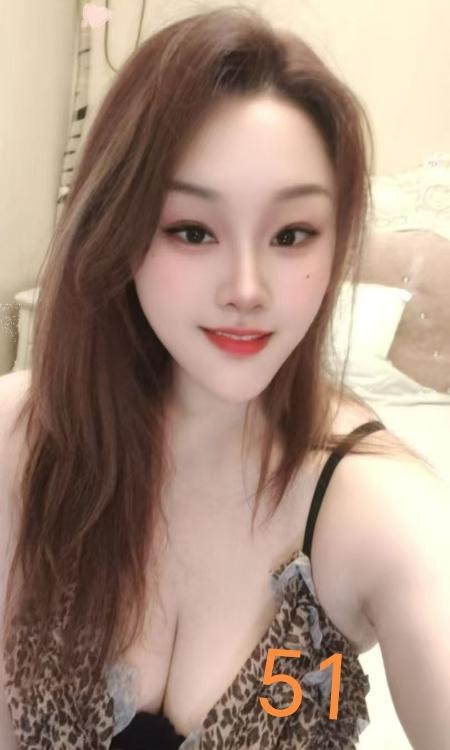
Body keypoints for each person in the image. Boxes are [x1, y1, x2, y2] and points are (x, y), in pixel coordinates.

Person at [1, 5, 449, 750]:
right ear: (117, 230)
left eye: (292, 234)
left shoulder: (377, 509)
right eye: (193, 230)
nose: (247, 288)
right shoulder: (24, 440)